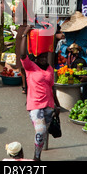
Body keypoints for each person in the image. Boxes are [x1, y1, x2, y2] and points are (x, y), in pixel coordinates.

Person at [20, 26, 60, 161]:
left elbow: (52, 87)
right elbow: (22, 55)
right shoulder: (30, 67)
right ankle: (36, 158)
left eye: (45, 57)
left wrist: (57, 105)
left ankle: (38, 155)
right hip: (35, 105)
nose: (44, 59)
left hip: (48, 104)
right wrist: (25, 34)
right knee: (40, 130)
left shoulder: (49, 69)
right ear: (36, 58)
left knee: (42, 135)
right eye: (41, 57)